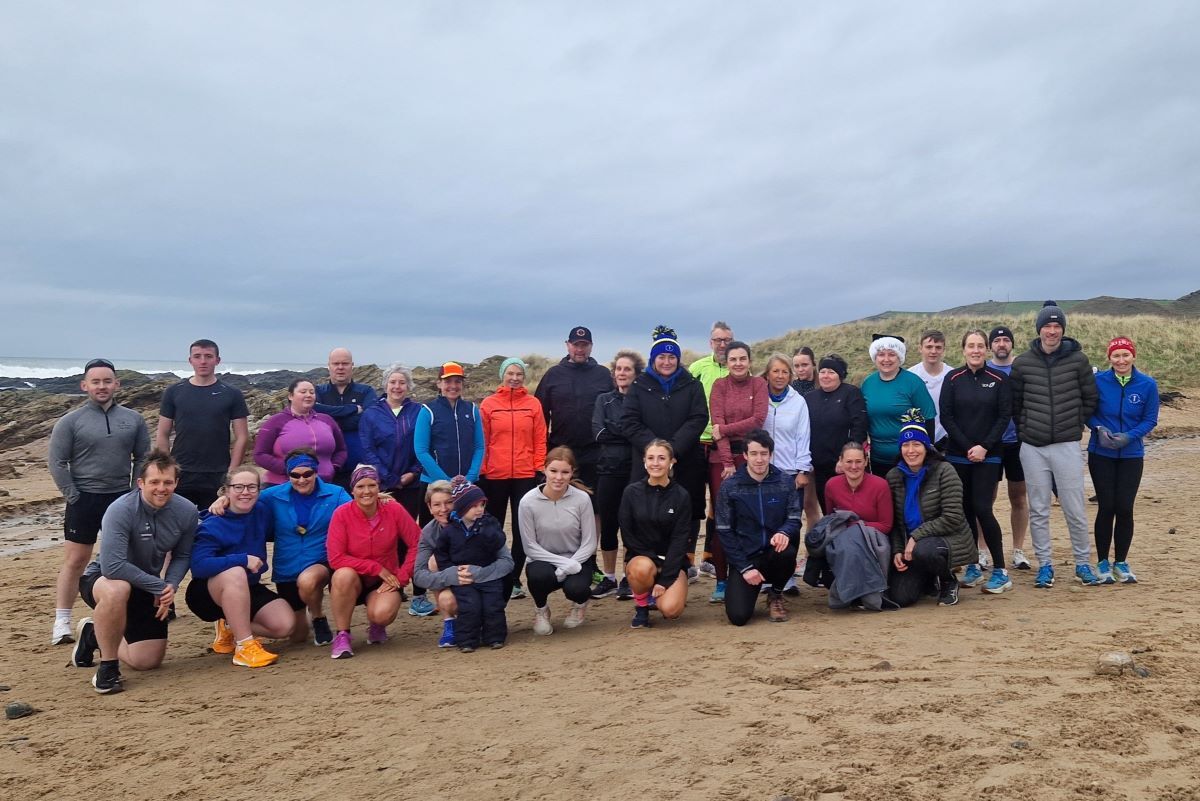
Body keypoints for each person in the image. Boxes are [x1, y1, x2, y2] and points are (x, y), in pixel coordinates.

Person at [70, 451, 197, 694]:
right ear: (141, 483)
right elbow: (113, 566)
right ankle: (108, 668)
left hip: (146, 585)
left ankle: (94, 632)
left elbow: (182, 555)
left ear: (176, 483)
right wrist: (158, 586)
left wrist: (170, 586)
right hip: (102, 580)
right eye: (154, 482)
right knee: (118, 588)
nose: (161, 488)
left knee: (146, 661)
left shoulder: (187, 511)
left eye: (168, 482)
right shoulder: (120, 510)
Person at [48, 358, 150, 645]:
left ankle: (128, 610)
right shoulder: (71, 421)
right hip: (84, 499)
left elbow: (143, 457)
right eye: (96, 381)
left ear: (117, 384)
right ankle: (62, 621)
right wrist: (72, 494)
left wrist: (134, 492)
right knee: (76, 560)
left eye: (107, 381)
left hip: (122, 499)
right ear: (85, 386)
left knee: (125, 558)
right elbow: (57, 461)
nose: (102, 386)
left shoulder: (133, 419)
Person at [1010, 301, 1100, 588]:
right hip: (1033, 447)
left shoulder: (1079, 360)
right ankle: (1045, 565)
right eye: (1047, 326)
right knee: (1038, 509)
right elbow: (1016, 404)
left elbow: (1090, 398)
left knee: (1074, 507)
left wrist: (1073, 424)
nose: (1052, 331)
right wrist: (1027, 429)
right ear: (1039, 329)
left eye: (1056, 326)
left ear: (1063, 329)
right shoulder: (1022, 363)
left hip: (1067, 444)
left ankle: (1083, 564)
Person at [623, 326, 709, 581]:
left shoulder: (691, 384)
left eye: (672, 357)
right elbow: (629, 422)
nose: (667, 361)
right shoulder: (639, 385)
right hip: (648, 463)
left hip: (685, 460)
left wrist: (673, 450)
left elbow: (698, 418)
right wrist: (656, 452)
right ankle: (640, 567)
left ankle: (684, 564)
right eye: (662, 357)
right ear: (653, 359)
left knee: (688, 510)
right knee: (643, 512)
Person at [185, 467, 294, 668]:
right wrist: (242, 559)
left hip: (248, 586)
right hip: (207, 592)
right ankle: (244, 646)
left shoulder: (261, 509)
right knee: (235, 571)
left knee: (285, 625)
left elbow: (291, 489)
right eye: (238, 487)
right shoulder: (213, 523)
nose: (245, 492)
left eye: (252, 487)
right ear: (226, 490)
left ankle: (229, 625)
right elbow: (199, 566)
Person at [939, 329, 1013, 594]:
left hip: (989, 455)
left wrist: (983, 447)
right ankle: (972, 565)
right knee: (965, 510)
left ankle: (1001, 570)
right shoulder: (953, 378)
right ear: (963, 350)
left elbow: (1004, 417)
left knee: (983, 508)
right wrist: (969, 446)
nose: (976, 350)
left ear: (987, 350)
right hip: (959, 455)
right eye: (971, 346)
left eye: (980, 345)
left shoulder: (999, 379)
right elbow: (946, 417)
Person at [326, 465, 421, 658]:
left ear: (379, 487)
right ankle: (343, 634)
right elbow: (336, 558)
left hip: (385, 579)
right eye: (360, 486)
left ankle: (377, 626)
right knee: (342, 575)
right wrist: (375, 567)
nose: (366, 491)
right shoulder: (341, 514)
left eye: (372, 485)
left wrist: (402, 576)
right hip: (354, 578)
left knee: (381, 614)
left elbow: (417, 542)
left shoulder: (393, 509)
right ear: (352, 490)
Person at [412, 361, 484, 615]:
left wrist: (469, 478)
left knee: (463, 536)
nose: (453, 386)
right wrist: (445, 482)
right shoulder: (428, 411)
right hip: (434, 486)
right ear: (439, 383)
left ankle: (464, 589)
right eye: (448, 381)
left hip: (466, 486)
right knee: (430, 539)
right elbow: (421, 450)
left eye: (457, 381)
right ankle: (419, 595)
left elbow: (479, 447)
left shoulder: (472, 410)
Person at [258, 449, 349, 646]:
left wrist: (381, 500)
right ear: (288, 475)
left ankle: (318, 617)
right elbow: (244, 498)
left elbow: (356, 510)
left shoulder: (335, 494)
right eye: (295, 475)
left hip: (320, 559)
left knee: (307, 581)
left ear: (316, 472)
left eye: (307, 474)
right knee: (297, 636)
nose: (302, 479)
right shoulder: (272, 496)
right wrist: (224, 498)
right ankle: (232, 629)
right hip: (287, 567)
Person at [1087, 336, 1159, 584]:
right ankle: (1102, 563)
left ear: (1133, 356)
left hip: (1131, 455)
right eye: (1116, 356)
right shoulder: (1098, 382)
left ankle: (1121, 562)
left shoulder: (1147, 385)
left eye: (1125, 355)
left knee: (1125, 508)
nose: (1121, 360)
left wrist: (1129, 436)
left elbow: (1150, 420)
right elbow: (1088, 413)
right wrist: (1099, 429)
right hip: (1101, 454)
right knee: (1106, 507)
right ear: (1109, 358)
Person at [715, 429, 802, 625]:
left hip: (775, 553)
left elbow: (795, 517)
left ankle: (776, 594)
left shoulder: (785, 481)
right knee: (738, 617)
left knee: (787, 551)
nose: (759, 459)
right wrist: (745, 568)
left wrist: (784, 531)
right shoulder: (731, 487)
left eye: (764, 453)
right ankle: (748, 588)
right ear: (745, 455)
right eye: (754, 454)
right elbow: (724, 530)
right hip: (746, 559)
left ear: (771, 454)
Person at [885, 417, 974, 608]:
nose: (911, 450)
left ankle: (948, 580)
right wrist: (898, 550)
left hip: (946, 539)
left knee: (925, 550)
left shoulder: (945, 470)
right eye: (905, 445)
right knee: (901, 597)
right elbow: (896, 522)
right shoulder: (893, 476)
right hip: (911, 545)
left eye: (916, 444)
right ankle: (927, 577)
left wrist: (916, 537)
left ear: (926, 447)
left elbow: (952, 517)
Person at [414, 480, 514, 649]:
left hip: (489, 578)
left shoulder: (484, 523)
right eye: (436, 505)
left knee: (492, 604)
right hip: (458, 582)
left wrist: (480, 573)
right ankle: (450, 624)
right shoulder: (429, 532)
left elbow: (507, 561)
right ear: (429, 508)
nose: (443, 509)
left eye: (449, 502)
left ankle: (490, 630)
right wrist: (452, 575)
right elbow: (418, 575)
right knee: (434, 563)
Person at [705, 340, 769, 603]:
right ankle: (721, 579)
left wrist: (727, 430)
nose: (738, 363)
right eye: (733, 359)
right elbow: (716, 424)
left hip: (751, 456)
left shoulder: (759, 385)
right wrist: (727, 462)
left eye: (743, 358)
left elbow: (758, 420)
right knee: (723, 519)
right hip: (722, 461)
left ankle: (758, 574)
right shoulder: (720, 386)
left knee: (753, 516)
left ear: (750, 361)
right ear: (726, 362)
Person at [479, 357, 546, 601]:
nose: (515, 378)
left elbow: (540, 438)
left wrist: (539, 467)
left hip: (525, 475)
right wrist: (483, 470)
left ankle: (515, 578)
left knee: (522, 530)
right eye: (510, 373)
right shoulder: (488, 404)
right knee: (494, 527)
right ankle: (495, 575)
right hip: (494, 475)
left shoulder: (533, 404)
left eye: (519, 374)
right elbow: (482, 441)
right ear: (502, 375)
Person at [155, 339, 249, 509]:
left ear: (217, 360)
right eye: (197, 356)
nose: (203, 361)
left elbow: (242, 436)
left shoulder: (232, 394)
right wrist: (167, 467)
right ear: (190, 360)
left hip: (218, 473)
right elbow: (162, 433)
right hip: (181, 471)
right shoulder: (174, 392)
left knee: (214, 524)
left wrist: (232, 472)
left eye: (208, 356)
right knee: (179, 527)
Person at [517, 447, 598, 635]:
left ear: (572, 473)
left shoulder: (582, 499)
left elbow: (589, 543)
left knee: (577, 588)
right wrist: (563, 566)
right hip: (543, 560)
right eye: (553, 471)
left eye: (565, 472)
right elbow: (530, 546)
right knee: (539, 576)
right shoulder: (527, 502)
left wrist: (573, 564)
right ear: (544, 470)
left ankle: (579, 605)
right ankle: (541, 610)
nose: (558, 477)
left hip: (577, 560)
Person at [534, 326, 614, 501]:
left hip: (595, 452)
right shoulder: (553, 374)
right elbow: (539, 416)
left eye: (584, 345)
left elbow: (613, 411)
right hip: (560, 451)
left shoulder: (603, 374)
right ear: (567, 345)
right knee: (560, 502)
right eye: (576, 345)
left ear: (591, 346)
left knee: (594, 505)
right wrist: (542, 453)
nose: (580, 349)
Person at [619, 440, 691, 628]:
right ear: (644, 462)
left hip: (672, 563)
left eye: (661, 458)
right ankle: (642, 606)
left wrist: (666, 576)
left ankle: (660, 592)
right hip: (643, 559)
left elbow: (680, 540)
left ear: (671, 462)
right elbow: (628, 536)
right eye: (651, 458)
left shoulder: (681, 496)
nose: (655, 463)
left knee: (670, 610)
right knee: (640, 568)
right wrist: (654, 560)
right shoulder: (631, 492)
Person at [591, 349, 644, 600]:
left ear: (636, 374)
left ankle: (627, 577)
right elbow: (598, 432)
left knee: (631, 524)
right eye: (618, 369)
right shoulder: (604, 400)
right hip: (607, 469)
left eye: (627, 369)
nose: (622, 373)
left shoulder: (642, 399)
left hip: (634, 469)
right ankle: (610, 577)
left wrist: (622, 431)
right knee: (609, 523)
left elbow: (640, 432)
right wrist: (626, 432)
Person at [688, 320, 734, 578]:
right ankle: (688, 561)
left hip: (724, 444)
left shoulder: (739, 368)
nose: (723, 344)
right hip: (698, 443)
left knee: (719, 503)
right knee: (693, 502)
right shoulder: (697, 368)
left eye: (727, 339)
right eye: (718, 340)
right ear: (710, 342)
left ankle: (710, 557)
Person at [986, 326, 1032, 570]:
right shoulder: (984, 369)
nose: (1001, 344)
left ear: (1011, 344)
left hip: (1018, 441)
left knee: (1018, 497)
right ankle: (982, 551)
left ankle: (1018, 550)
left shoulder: (1022, 368)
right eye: (997, 340)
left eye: (1005, 340)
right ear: (990, 346)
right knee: (986, 499)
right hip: (990, 443)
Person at [861, 335, 936, 477]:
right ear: (875, 357)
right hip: (878, 459)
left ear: (899, 357)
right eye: (881, 355)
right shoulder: (868, 383)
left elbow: (928, 419)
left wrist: (927, 453)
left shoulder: (913, 382)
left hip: (909, 459)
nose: (886, 359)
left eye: (892, 355)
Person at [804, 353, 867, 513]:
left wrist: (845, 460)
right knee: (827, 509)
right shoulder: (810, 397)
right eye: (823, 371)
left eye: (831, 372)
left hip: (843, 465)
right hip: (818, 465)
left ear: (840, 375)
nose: (826, 376)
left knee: (848, 510)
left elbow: (859, 426)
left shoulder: (851, 393)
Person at [254, 378, 347, 486]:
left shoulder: (327, 420)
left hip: (323, 486)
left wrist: (333, 467)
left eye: (312, 392)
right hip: (282, 486)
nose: (308, 395)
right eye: (303, 392)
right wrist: (291, 470)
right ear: (290, 396)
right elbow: (259, 455)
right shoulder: (275, 421)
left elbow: (341, 450)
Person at [359, 363, 424, 517]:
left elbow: (426, 445)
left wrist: (414, 473)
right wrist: (391, 479)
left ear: (408, 386)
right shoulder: (371, 413)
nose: (397, 387)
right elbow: (367, 449)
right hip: (381, 484)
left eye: (402, 383)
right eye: (392, 382)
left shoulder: (419, 411)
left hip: (412, 484)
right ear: (385, 385)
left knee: (407, 528)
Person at [315, 348, 378, 489]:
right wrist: (353, 409)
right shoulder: (318, 391)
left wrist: (331, 418)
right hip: (326, 468)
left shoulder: (366, 391)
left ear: (352, 365)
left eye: (345, 363)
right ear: (329, 366)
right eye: (336, 363)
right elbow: (317, 417)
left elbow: (368, 419)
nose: (340, 368)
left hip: (360, 468)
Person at [823, 442, 892, 534]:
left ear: (866, 461)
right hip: (841, 538)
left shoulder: (880, 485)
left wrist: (854, 526)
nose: (854, 466)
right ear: (841, 461)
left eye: (858, 461)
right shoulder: (831, 485)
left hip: (872, 538)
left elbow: (886, 525)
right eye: (849, 461)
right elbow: (830, 519)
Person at [907, 330, 951, 447]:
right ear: (920, 348)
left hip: (947, 441)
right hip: (918, 440)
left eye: (938, 347)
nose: (933, 351)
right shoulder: (910, 375)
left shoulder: (952, 375)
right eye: (929, 347)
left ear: (943, 349)